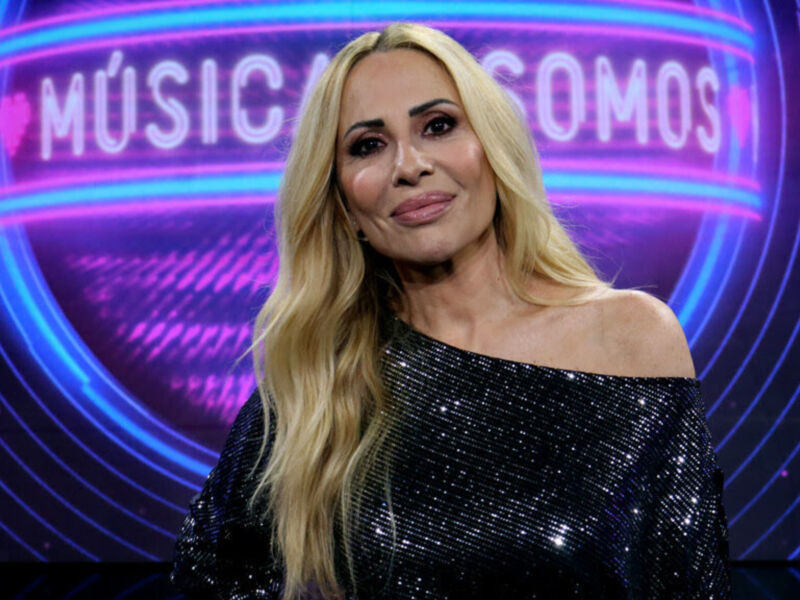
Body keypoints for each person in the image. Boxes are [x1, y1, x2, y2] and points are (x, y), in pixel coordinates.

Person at [170, 22, 731, 600]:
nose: (409, 165)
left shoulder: (628, 337)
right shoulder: (316, 387)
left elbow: (688, 585)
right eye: (368, 145)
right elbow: (207, 579)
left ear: (493, 148)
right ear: (343, 206)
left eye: (438, 126)